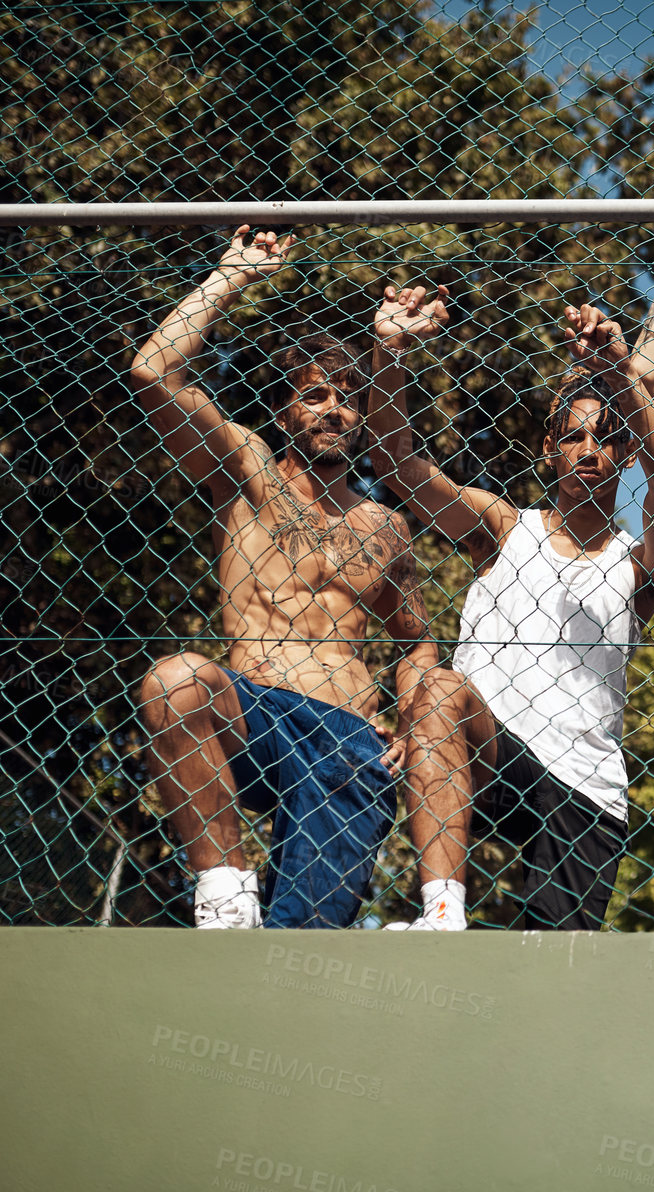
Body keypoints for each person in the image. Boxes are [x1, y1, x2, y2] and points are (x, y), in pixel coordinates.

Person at [364, 178, 654, 930]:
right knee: (436, 689)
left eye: (607, 438)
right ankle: (442, 914)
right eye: (573, 435)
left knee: (550, 973)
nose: (590, 450)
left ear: (626, 454)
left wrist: (620, 370)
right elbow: (399, 463)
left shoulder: (639, 565)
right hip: (486, 748)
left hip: (582, 781)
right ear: (548, 449)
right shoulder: (504, 528)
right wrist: (390, 353)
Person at [131, 226, 436, 929]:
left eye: (349, 399)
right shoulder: (245, 470)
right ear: (285, 410)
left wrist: (414, 715)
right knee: (177, 679)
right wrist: (230, 277)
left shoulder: (384, 527)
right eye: (317, 394)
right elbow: (154, 373)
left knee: (302, 944)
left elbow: (415, 639)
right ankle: (226, 891)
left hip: (351, 739)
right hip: (255, 714)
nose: (335, 410)